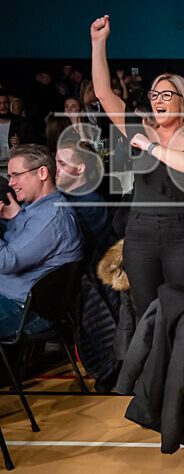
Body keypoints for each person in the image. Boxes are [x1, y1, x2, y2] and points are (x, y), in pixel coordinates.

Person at [91, 14, 184, 318]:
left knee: (182, 310)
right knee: (147, 314)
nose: (157, 99)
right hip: (140, 231)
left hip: (182, 231)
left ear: (182, 102)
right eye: (154, 94)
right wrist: (98, 43)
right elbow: (104, 95)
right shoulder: (141, 129)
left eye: (166, 95)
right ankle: (152, 366)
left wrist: (150, 146)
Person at [0, 145, 83, 339]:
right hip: (13, 298)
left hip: (25, 310)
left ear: (42, 173)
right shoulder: (35, 208)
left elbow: (5, 261)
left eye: (16, 175)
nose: (11, 183)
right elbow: (14, 239)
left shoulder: (51, 217)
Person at [55, 141, 109, 249]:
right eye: (55, 163)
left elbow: (71, 243)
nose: (56, 169)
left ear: (80, 169)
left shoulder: (92, 203)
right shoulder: (58, 195)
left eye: (62, 164)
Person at [0, 90, 36, 162]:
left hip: (17, 163)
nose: (3, 106)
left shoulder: (22, 122)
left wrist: (20, 143)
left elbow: (34, 145)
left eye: (5, 103)